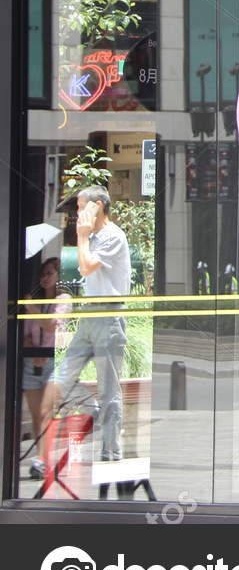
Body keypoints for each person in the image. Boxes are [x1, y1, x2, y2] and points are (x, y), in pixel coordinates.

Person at [39, 188, 132, 463]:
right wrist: (83, 236)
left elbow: (86, 267)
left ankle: (110, 451)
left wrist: (81, 236)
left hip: (109, 314)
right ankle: (94, 411)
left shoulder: (113, 236)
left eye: (82, 206)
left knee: (109, 389)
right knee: (61, 379)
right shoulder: (91, 237)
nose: (78, 213)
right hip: (90, 314)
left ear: (98, 206)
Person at [20, 257, 64, 479]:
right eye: (42, 274)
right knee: (36, 414)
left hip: (52, 362)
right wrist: (31, 349)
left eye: (50, 274)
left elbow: (51, 325)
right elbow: (26, 333)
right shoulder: (36, 301)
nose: (45, 278)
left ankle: (43, 459)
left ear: (58, 276)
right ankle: (40, 458)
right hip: (31, 361)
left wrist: (30, 306)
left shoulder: (63, 300)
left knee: (47, 412)